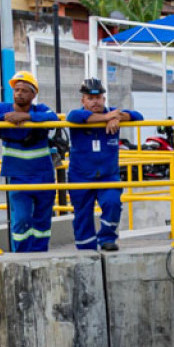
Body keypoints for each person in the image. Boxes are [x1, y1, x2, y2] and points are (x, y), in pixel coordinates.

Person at [0, 70, 61, 253]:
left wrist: (27, 117)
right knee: (21, 219)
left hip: (43, 175)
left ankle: (40, 253)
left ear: (33, 94)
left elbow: (53, 118)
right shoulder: (3, 109)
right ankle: (22, 254)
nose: (19, 93)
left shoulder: (40, 110)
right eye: (16, 89)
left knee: (42, 219)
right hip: (18, 177)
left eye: (24, 90)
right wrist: (5, 118)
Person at [64, 80, 144, 252]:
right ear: (83, 101)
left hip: (108, 174)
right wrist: (108, 118)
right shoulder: (76, 115)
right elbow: (73, 117)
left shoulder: (113, 113)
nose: (95, 102)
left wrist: (118, 116)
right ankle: (86, 249)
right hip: (80, 176)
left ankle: (107, 238)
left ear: (104, 98)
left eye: (98, 97)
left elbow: (138, 116)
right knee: (82, 215)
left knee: (113, 203)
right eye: (90, 98)